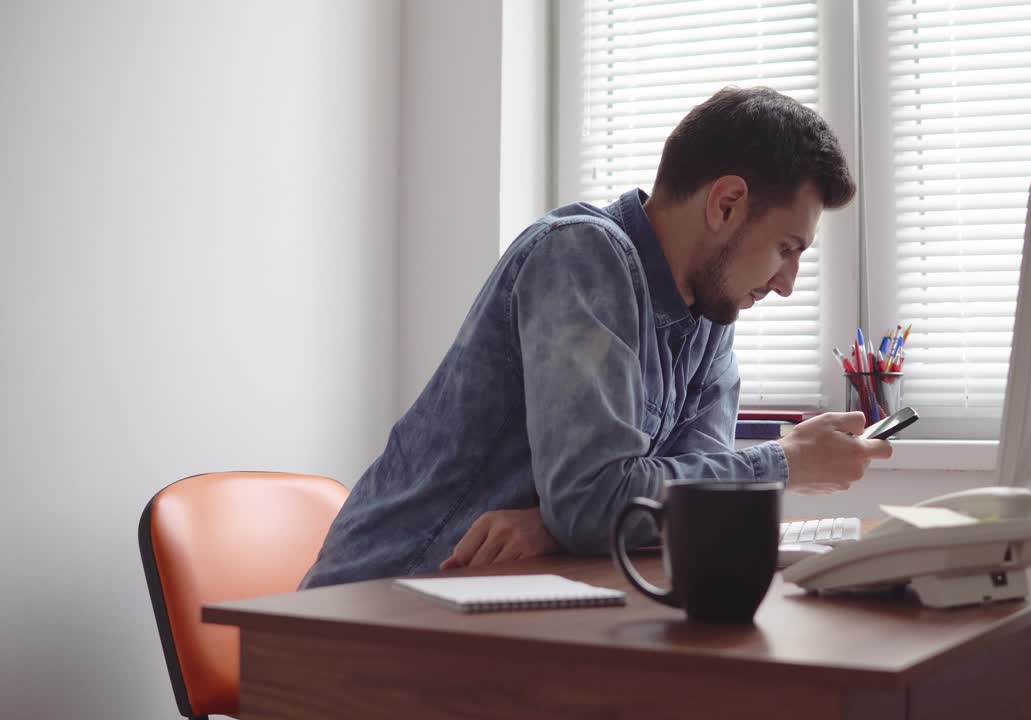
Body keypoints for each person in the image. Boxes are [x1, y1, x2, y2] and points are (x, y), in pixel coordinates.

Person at [300, 87, 892, 589]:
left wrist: (554, 521)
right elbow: (602, 505)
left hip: (494, 605)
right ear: (727, 203)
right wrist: (783, 463)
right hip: (373, 605)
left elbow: (681, 512)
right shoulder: (580, 256)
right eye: (787, 249)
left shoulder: (710, 318)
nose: (787, 284)